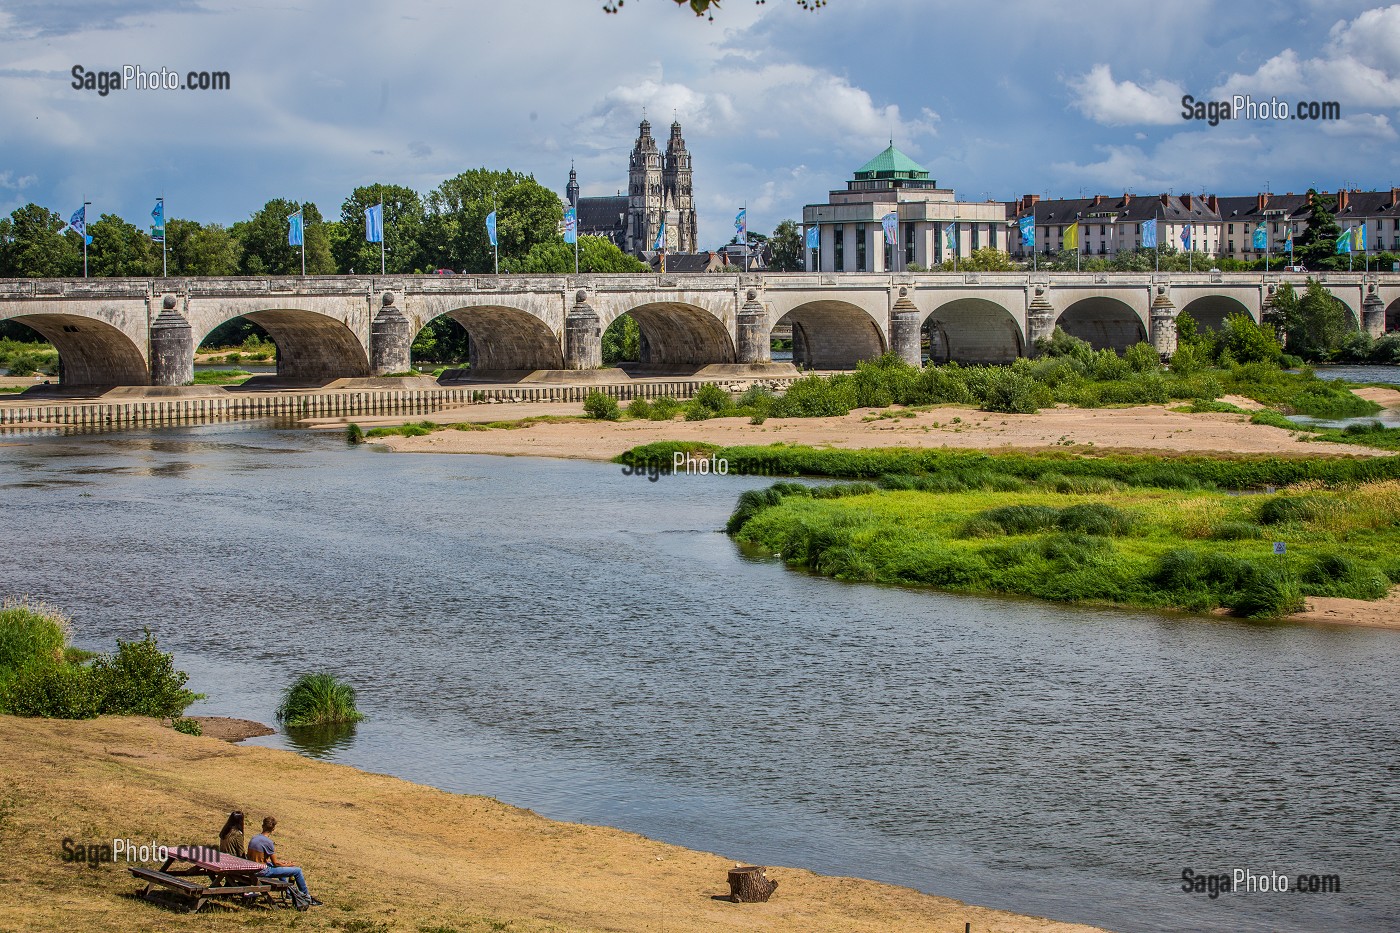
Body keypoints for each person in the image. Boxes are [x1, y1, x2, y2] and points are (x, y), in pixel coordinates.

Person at [247, 816, 321, 906]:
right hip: (262, 871)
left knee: (281, 869)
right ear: (273, 828)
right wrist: (288, 865)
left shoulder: (254, 838)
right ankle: (306, 897)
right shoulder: (268, 842)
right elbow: (276, 863)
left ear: (262, 826)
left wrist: (283, 864)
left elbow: (260, 858)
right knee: (297, 871)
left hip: (252, 868)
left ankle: (289, 893)